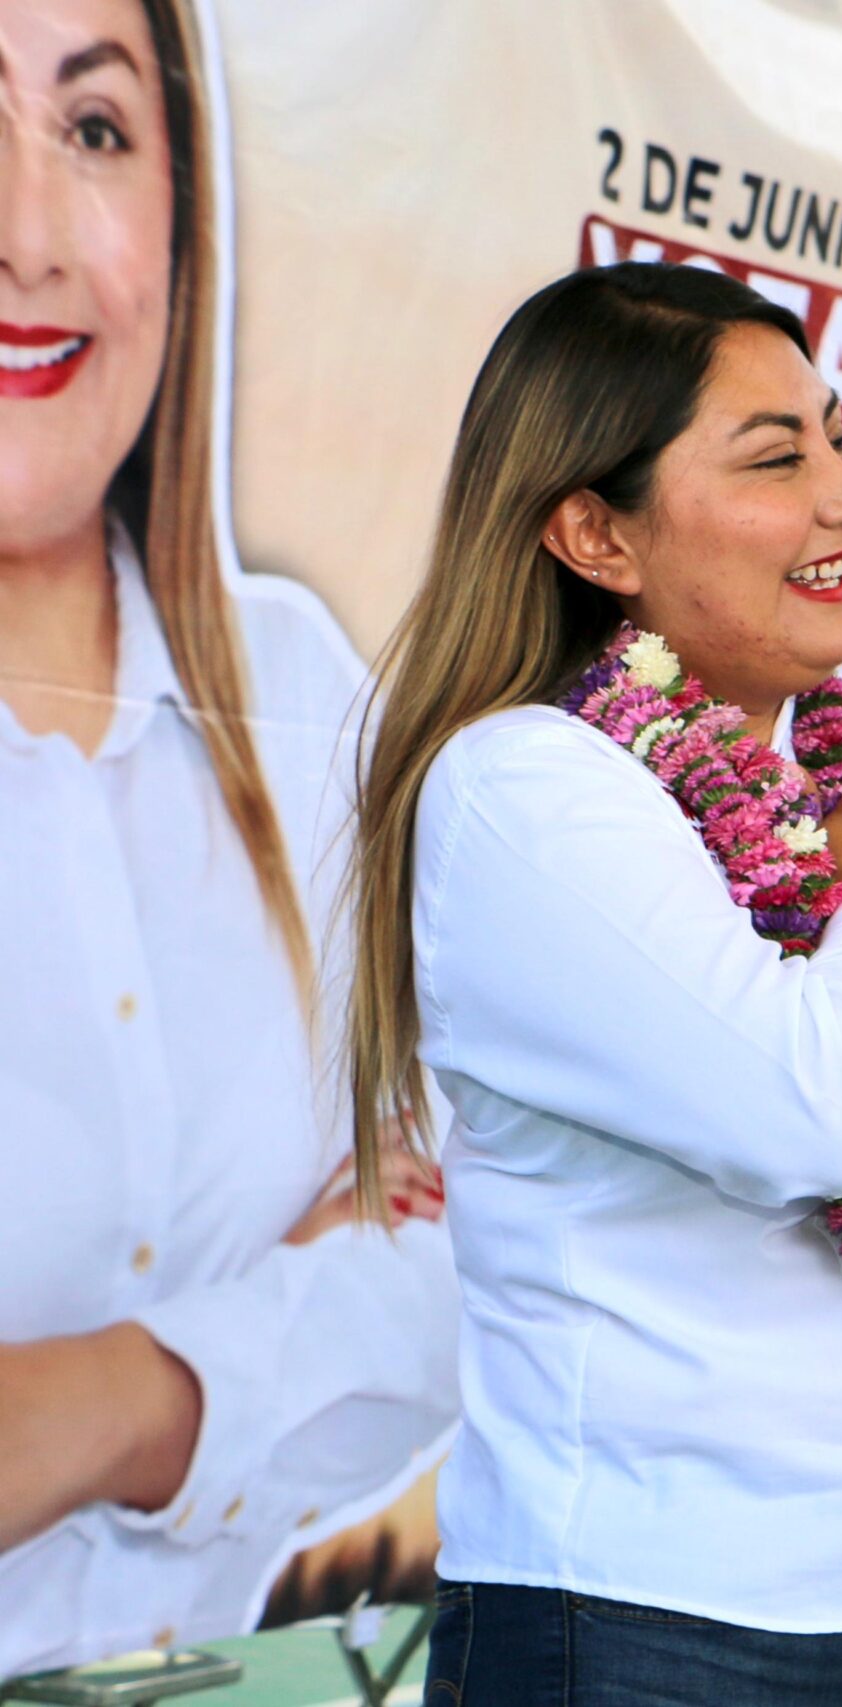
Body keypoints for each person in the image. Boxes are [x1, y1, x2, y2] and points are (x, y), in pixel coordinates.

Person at [346, 75, 842, 1707]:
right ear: (596, 530)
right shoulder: (525, 790)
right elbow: (816, 1105)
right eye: (780, 457)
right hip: (665, 1633)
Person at [0, 0, 459, 1678]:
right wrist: (277, 1325)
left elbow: (462, 1248)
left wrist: (118, 1400)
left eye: (96, 128)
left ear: (186, 235)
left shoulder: (295, 688)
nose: (27, 232)